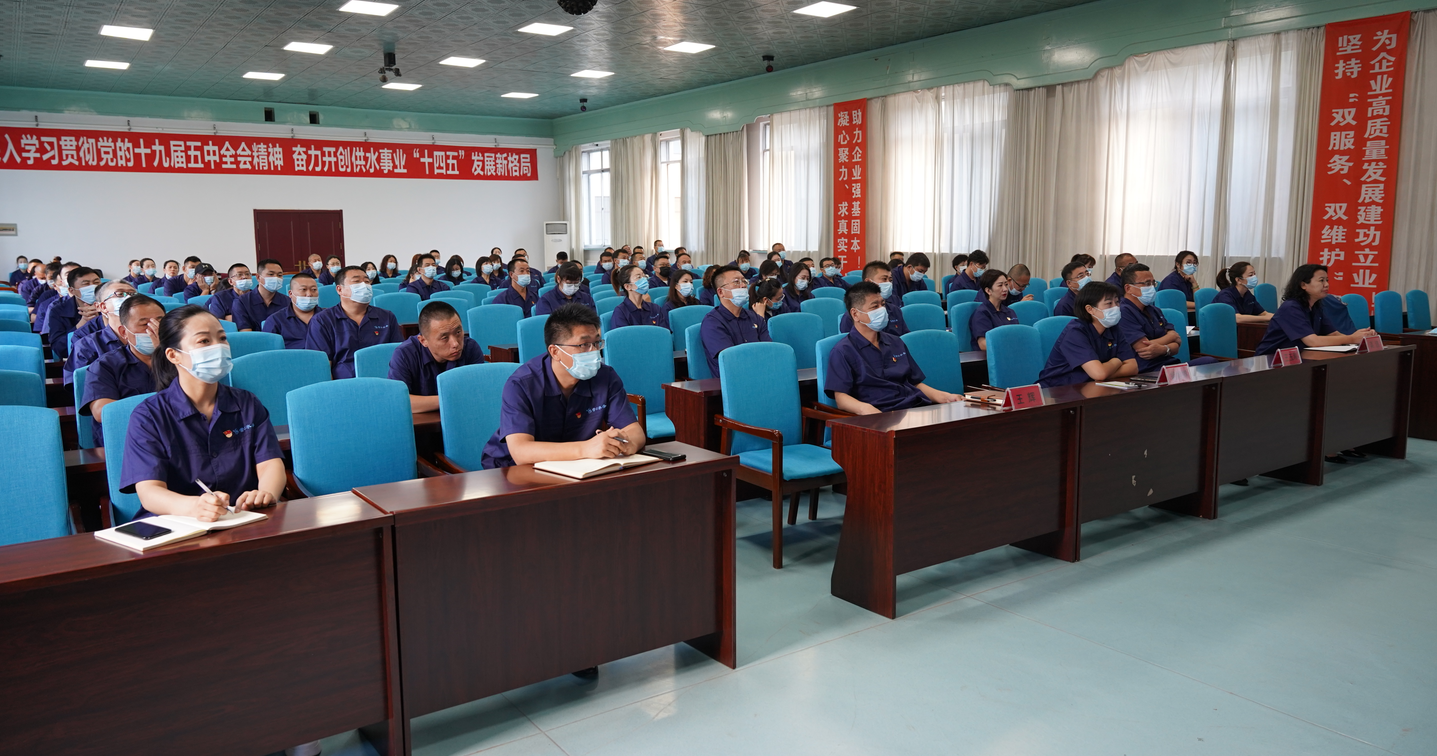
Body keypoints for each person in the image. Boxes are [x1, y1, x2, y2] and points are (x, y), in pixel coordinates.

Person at [120, 304, 285, 525]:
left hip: (243, 519)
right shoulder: (148, 416)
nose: (218, 347)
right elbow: (149, 492)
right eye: (204, 341)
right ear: (173, 355)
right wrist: (194, 507)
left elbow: (270, 463)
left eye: (222, 338)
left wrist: (265, 494)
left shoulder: (247, 403)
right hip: (178, 526)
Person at [480, 303, 646, 469]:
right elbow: (521, 452)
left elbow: (635, 432)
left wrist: (626, 443)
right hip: (514, 470)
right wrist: (586, 448)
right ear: (555, 352)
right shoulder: (521, 384)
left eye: (596, 343)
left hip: (577, 466)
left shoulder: (605, 376)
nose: (594, 352)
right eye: (584, 345)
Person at [827, 282, 962, 414]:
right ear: (855, 314)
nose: (882, 310)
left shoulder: (896, 342)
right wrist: (868, 411)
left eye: (883, 304)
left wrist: (945, 397)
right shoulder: (843, 351)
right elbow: (841, 398)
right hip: (879, 414)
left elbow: (915, 383)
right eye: (875, 306)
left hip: (913, 408)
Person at [80, 295, 165, 446]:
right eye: (145, 324)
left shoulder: (181, 359)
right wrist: (168, 407)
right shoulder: (104, 365)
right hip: (127, 440)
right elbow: (103, 412)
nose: (155, 330)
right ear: (124, 332)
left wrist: (163, 355)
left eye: (160, 322)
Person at [305, 265, 403, 378]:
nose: (364, 286)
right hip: (343, 383)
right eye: (357, 282)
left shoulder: (387, 317)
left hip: (384, 380)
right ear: (340, 289)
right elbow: (321, 368)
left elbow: (398, 356)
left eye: (367, 282)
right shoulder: (322, 321)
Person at [1254, 264, 1375, 356]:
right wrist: (1352, 338)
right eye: (1321, 280)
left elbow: (1334, 333)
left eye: (1327, 280)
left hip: (1300, 356)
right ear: (1303, 285)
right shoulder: (1290, 308)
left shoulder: (1316, 306)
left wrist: (1359, 338)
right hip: (1272, 360)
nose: (1326, 284)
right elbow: (1313, 341)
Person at [389, 301, 485, 413]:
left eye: (458, 332)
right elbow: (398, 401)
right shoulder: (405, 354)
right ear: (423, 340)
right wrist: (449, 399)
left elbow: (480, 393)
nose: (455, 344)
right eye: (444, 338)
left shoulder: (470, 348)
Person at [1038, 281, 1138, 388]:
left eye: (1117, 302)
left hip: (1091, 385)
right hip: (1057, 389)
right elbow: (1099, 374)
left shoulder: (1113, 328)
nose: (1116, 307)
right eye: (1109, 303)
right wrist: (1117, 361)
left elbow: (1133, 367)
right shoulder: (1075, 332)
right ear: (1090, 309)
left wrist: (1104, 373)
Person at [699, 265, 773, 377]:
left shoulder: (755, 318)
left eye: (744, 281)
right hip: (732, 380)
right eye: (736, 282)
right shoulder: (712, 323)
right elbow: (731, 360)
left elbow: (769, 352)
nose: (743, 285)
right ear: (721, 292)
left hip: (762, 376)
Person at [1116, 263, 1186, 373]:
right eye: (1147, 283)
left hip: (1169, 365)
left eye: (1153, 283)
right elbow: (1144, 349)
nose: (1152, 287)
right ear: (1128, 288)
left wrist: (1162, 349)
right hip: (1147, 370)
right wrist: (1170, 337)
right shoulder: (1123, 312)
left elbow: (1177, 344)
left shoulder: (1154, 310)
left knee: (1208, 362)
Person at [65, 280, 137, 384]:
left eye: (133, 294)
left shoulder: (151, 336)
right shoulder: (86, 346)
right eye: (120, 294)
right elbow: (81, 386)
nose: (129, 298)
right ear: (102, 307)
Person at [838, 261, 909, 336]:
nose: (888, 283)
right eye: (884, 279)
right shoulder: (854, 315)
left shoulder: (895, 310)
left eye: (890, 280)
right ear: (868, 281)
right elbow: (848, 340)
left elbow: (905, 338)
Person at [46, 266, 102, 361]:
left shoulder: (110, 305)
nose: (93, 287)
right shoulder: (58, 310)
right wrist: (81, 325)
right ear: (72, 290)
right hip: (77, 360)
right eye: (86, 284)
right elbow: (59, 348)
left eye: (96, 282)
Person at [263, 272, 322, 349]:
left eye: (314, 290)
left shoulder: (328, 317)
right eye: (303, 289)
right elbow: (268, 351)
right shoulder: (275, 320)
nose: (309, 294)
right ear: (290, 294)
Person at [231, 258, 290, 332]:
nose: (276, 278)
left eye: (280, 275)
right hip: (254, 339)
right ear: (258, 277)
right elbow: (245, 333)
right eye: (271, 274)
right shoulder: (241, 302)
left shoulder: (288, 302)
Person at [969, 269, 1020, 351]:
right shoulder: (982, 313)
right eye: (1000, 285)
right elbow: (983, 344)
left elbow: (1017, 336)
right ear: (988, 291)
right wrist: (1008, 347)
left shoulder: (1010, 311)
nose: (1005, 289)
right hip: (993, 355)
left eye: (1006, 284)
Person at [610, 263, 670, 330]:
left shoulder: (655, 308)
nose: (644, 280)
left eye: (644, 276)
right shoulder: (621, 312)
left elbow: (664, 332)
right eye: (638, 277)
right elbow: (623, 335)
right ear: (627, 286)